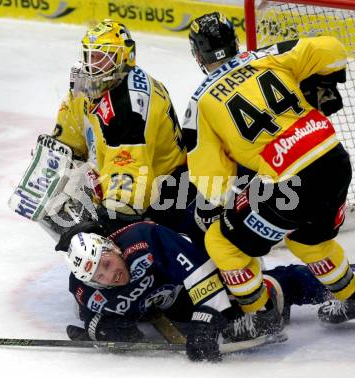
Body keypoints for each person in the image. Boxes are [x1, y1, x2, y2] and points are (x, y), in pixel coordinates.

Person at [182, 12, 355, 327]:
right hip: (335, 162)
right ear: (235, 41)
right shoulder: (268, 57)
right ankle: (352, 296)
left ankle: (259, 316)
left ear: (197, 55)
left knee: (221, 241)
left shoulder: (200, 103)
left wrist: (225, 205)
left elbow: (213, 183)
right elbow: (333, 49)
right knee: (307, 241)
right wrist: (321, 83)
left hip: (293, 183)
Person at [62, 221, 334, 362]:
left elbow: (198, 271)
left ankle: (341, 284)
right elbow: (93, 318)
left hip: (202, 268)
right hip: (175, 302)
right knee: (225, 309)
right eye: (100, 276)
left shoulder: (143, 238)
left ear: (112, 247)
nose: (111, 276)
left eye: (107, 264)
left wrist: (207, 318)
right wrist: (100, 331)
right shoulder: (87, 292)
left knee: (256, 286)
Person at [48, 18, 190, 241]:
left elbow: (131, 173)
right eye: (90, 56)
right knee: (57, 190)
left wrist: (106, 221)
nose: (92, 65)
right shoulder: (86, 81)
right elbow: (71, 127)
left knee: (115, 228)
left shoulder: (131, 103)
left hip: (166, 189)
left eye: (101, 58)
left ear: (124, 58)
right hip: (122, 169)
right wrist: (58, 154)